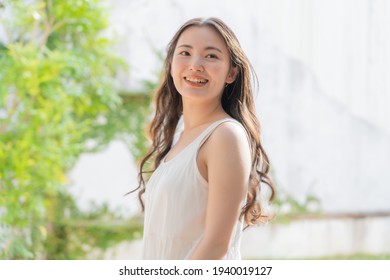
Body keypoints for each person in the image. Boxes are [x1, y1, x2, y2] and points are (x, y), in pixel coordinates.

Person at [133, 17, 275, 260]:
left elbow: (216, 245)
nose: (195, 65)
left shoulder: (225, 135)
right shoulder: (180, 138)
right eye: (185, 53)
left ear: (231, 73)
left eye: (211, 56)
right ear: (171, 65)